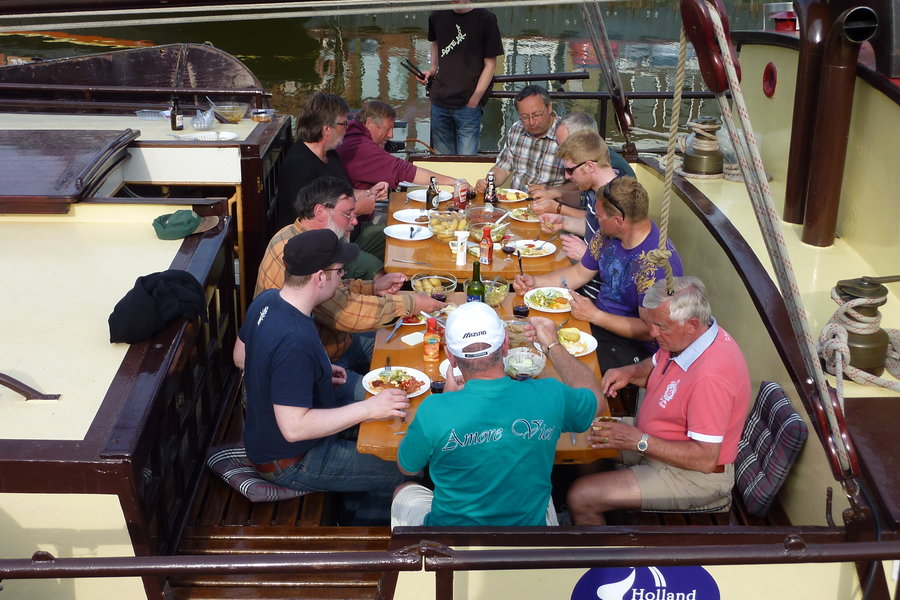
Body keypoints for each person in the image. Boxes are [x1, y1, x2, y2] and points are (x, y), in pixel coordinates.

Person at [390, 302, 604, 527]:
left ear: (451, 357)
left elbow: (408, 467)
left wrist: (445, 401)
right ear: (505, 345)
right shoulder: (551, 394)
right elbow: (596, 400)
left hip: (452, 548)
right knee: (544, 495)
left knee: (404, 490)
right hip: (527, 544)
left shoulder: (434, 410)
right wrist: (552, 343)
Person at [234, 228, 410, 500]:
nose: (342, 277)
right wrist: (369, 408)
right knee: (407, 467)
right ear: (319, 277)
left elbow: (240, 355)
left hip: (269, 435)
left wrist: (315, 370)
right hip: (291, 460)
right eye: (340, 271)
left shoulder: (267, 301)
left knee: (390, 423)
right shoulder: (295, 340)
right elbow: (294, 429)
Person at [566, 277, 751, 524]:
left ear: (692, 324)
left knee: (581, 495)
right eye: (651, 324)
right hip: (654, 439)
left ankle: (608, 552)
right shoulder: (688, 337)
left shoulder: (711, 378)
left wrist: (639, 441)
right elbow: (654, 366)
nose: (652, 334)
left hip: (692, 475)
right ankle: (612, 512)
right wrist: (629, 373)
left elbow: (705, 459)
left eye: (660, 327)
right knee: (580, 430)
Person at [256, 177, 445, 398]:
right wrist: (412, 302)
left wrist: (373, 287)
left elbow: (336, 291)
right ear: (320, 212)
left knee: (408, 345)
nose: (354, 222)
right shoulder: (298, 254)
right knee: (399, 399)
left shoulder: (299, 236)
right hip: (320, 368)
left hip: (338, 344)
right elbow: (347, 312)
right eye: (348, 214)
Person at [513, 135, 684, 373]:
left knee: (553, 368)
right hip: (595, 322)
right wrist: (535, 283)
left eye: (600, 217)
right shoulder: (607, 236)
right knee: (529, 343)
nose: (595, 222)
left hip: (632, 346)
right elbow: (580, 272)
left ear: (618, 220)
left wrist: (594, 315)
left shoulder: (653, 262)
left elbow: (649, 330)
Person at [274, 92, 388, 277]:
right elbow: (312, 218)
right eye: (344, 124)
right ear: (327, 129)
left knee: (391, 236)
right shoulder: (298, 165)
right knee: (375, 268)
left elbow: (344, 193)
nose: (347, 128)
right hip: (322, 249)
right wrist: (357, 209)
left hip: (348, 234)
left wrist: (368, 192)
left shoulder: (331, 154)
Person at [416, 0, 504, 155]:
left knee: (466, 162)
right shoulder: (437, 15)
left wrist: (474, 100)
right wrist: (432, 70)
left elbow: (490, 65)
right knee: (442, 162)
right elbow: (435, 43)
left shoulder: (486, 18)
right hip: (440, 101)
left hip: (468, 104)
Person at [530, 112, 635, 219]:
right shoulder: (596, 160)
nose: (560, 150)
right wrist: (555, 193)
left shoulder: (616, 173)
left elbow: (598, 221)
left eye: (564, 145)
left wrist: (558, 208)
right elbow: (584, 199)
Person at [336, 100, 462, 189]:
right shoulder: (361, 147)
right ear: (370, 123)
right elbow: (402, 170)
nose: (391, 135)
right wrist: (453, 182)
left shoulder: (352, 134)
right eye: (387, 129)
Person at [474, 85, 566, 194]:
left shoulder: (566, 133)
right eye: (525, 117)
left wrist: (550, 191)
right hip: (517, 199)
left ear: (549, 108)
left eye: (536, 115)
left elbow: (578, 184)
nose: (531, 122)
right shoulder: (517, 129)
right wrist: (487, 183)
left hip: (552, 202)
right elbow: (502, 168)